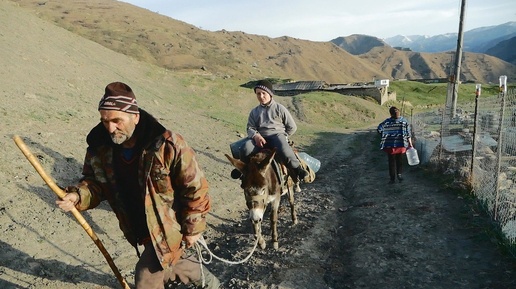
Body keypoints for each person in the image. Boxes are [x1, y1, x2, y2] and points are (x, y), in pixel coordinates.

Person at [56, 82, 220, 289]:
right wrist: (78, 196)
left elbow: (195, 187)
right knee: (171, 263)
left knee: (146, 277)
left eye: (117, 121)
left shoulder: (167, 145)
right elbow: (95, 183)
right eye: (105, 121)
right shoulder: (100, 147)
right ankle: (211, 283)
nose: (110, 128)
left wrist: (193, 227)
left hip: (170, 224)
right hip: (138, 224)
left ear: (135, 116)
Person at [235, 79, 308, 180]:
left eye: (264, 93)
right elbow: (250, 128)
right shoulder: (254, 112)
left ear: (270, 93)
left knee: (284, 149)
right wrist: (256, 136)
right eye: (258, 94)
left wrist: (284, 136)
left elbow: (292, 127)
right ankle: (243, 171)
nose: (261, 96)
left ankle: (297, 169)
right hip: (260, 139)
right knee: (245, 148)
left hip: (277, 136)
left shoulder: (279, 108)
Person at [377, 106, 413, 184]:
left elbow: (379, 128)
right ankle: (399, 175)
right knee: (399, 160)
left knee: (391, 161)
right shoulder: (404, 121)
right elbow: (408, 134)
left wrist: (384, 136)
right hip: (401, 144)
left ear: (390, 113)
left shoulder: (387, 121)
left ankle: (392, 179)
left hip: (390, 145)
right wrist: (410, 144)